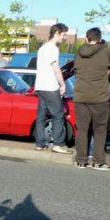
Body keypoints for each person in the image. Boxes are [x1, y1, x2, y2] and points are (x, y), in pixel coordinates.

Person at [72, 27, 110, 169]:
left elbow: (76, 70)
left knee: (82, 130)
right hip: (99, 97)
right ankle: (98, 161)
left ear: (86, 38)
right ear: (100, 39)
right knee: (100, 130)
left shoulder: (78, 52)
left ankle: (81, 160)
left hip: (80, 96)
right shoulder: (106, 51)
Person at [34, 22, 71, 153]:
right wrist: (62, 84)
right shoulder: (53, 48)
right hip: (50, 86)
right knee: (58, 115)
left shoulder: (42, 48)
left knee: (41, 115)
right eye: (63, 34)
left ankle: (39, 143)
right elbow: (56, 69)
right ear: (57, 33)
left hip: (40, 86)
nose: (64, 37)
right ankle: (58, 144)